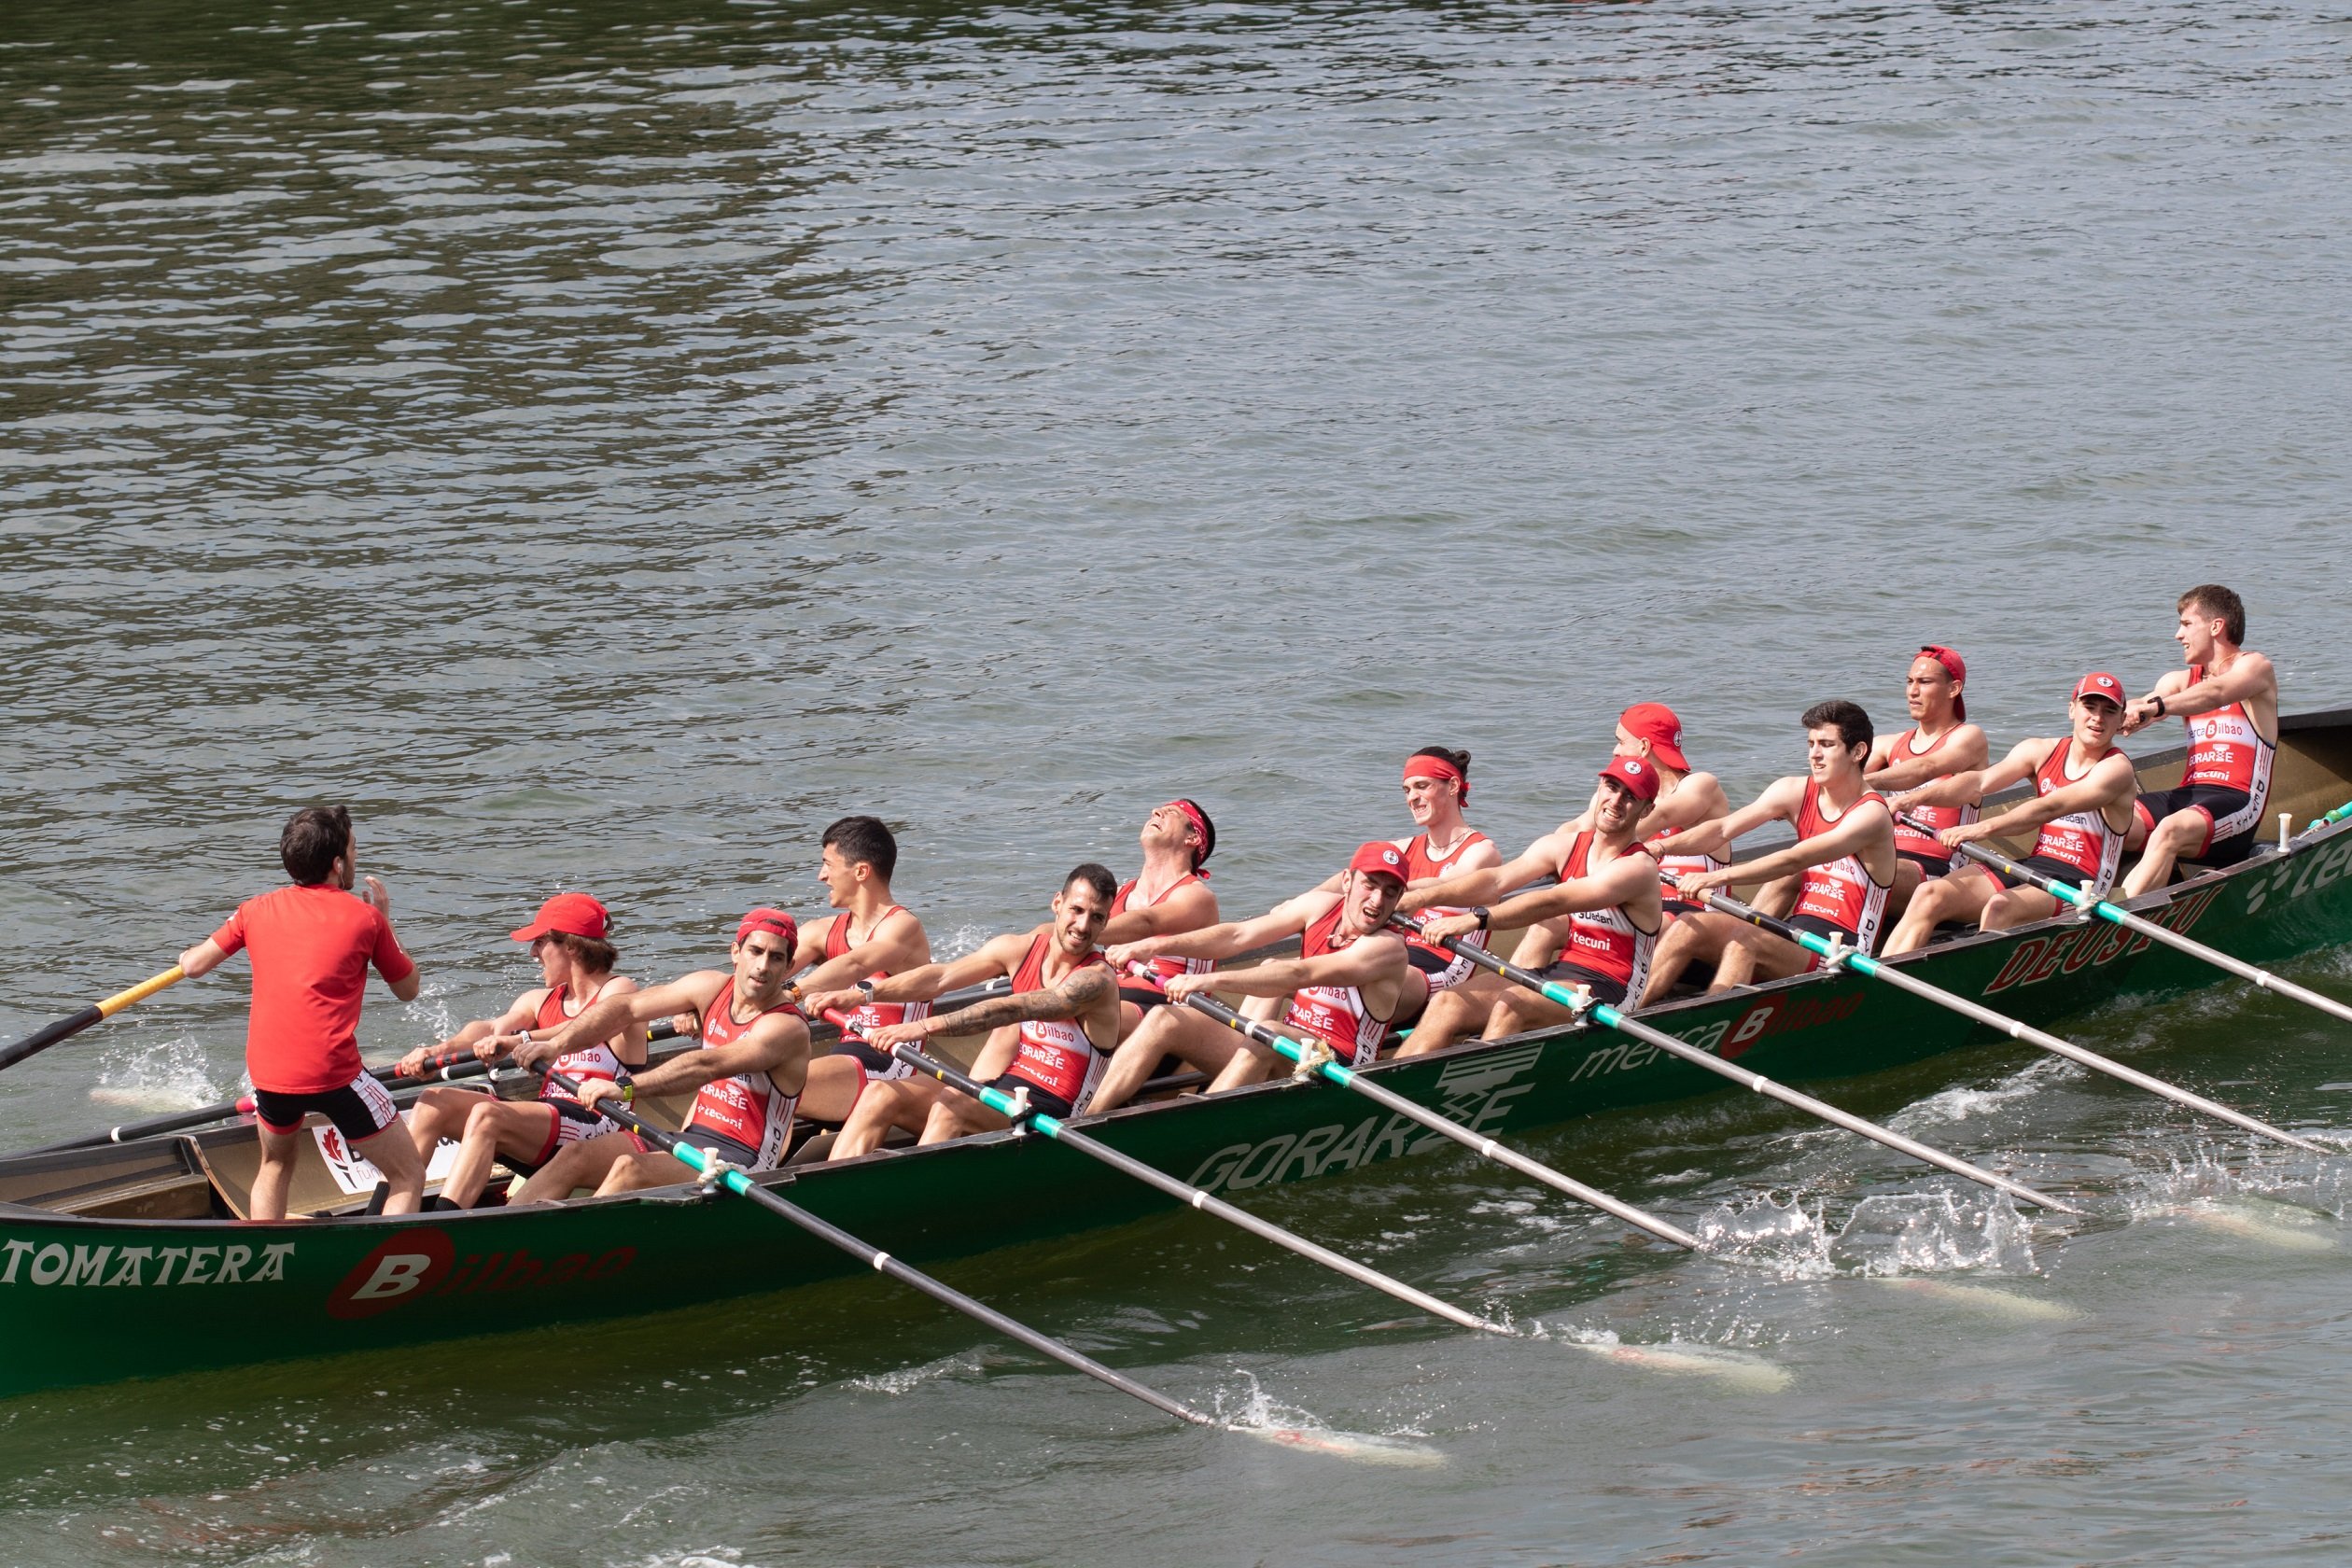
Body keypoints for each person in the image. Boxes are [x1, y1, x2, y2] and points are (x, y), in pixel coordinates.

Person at [176, 805, 427, 1222]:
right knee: (408, 1173)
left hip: (269, 1075)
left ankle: (263, 1259)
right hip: (334, 1075)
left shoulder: (254, 909)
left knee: (275, 1166)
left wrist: (185, 957)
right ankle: (380, 1268)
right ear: (336, 864)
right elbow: (408, 990)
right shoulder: (366, 918)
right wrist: (386, 923)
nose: (356, 857)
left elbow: (193, 966)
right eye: (353, 849)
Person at [806, 866, 1123, 1155]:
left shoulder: (1096, 980)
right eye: (1077, 910)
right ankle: (824, 1195)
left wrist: (925, 1026)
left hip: (1054, 1113)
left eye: (1096, 917)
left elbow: (1016, 1007)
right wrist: (865, 994)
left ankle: (909, 1200)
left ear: (1106, 922)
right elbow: (941, 976)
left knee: (951, 1105)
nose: (1082, 926)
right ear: (1057, 903)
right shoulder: (1018, 949)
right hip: (1003, 1092)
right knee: (879, 1094)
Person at [509, 909, 811, 1200]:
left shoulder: (785, 1027)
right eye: (755, 952)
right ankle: (504, 1236)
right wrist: (556, 1045)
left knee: (629, 1169)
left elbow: (705, 1065)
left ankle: (565, 1248)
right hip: (694, 1139)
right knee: (575, 1155)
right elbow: (625, 1008)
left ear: (788, 966)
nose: (762, 966)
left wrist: (625, 1086)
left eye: (776, 958)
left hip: (745, 1160)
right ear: (736, 952)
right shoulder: (709, 987)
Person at [1086, 843, 1413, 1112]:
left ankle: (1193, 1126)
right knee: (1163, 1018)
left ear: (1398, 899)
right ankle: (1087, 1117)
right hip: (1286, 1051)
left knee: (1269, 1034)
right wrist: (1153, 945)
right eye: (1369, 885)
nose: (1376, 901)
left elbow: (1300, 973)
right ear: (1347, 882)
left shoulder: (1387, 948)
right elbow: (1237, 936)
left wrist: (1209, 981)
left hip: (1339, 1069)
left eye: (1390, 892)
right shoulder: (1319, 907)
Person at [388, 893, 645, 1210]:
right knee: (432, 1102)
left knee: (487, 1115)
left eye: (540, 942)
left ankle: (445, 1225)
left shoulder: (620, 990)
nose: (533, 952)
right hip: (552, 1119)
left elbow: (589, 1025)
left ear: (572, 946)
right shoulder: (540, 999)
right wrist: (436, 1051)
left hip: (602, 1120)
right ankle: (383, 1218)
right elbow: (487, 1029)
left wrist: (520, 1039)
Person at [1641, 702, 1899, 1001]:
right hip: (1793, 933)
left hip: (1842, 951)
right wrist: (1660, 846)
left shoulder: (1871, 815)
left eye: (1827, 745)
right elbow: (1722, 830)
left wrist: (1714, 878)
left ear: (1857, 752)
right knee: (1688, 925)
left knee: (1743, 943)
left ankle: (1715, 1024)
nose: (1814, 754)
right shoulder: (1793, 790)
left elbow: (1795, 858)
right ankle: (1633, 1010)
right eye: (1811, 744)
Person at [1407, 758, 1664, 1053]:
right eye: (1611, 787)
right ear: (1599, 788)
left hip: (1613, 990)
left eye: (1630, 796)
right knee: (1446, 1002)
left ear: (1647, 810)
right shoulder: (1564, 846)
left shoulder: (1638, 867)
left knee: (1511, 1005)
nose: (1616, 800)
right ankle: (1386, 1090)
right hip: (1564, 972)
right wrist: (1421, 897)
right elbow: (1494, 881)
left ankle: (1476, 1081)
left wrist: (1478, 918)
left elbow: (1554, 900)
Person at [1881, 674, 2139, 954]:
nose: (2097, 718)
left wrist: (1980, 830)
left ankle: (1978, 987)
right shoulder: (2039, 750)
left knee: (2000, 907)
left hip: (2083, 883)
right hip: (2037, 864)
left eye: (2109, 711)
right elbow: (1978, 783)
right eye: (2090, 707)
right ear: (2072, 709)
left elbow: (2049, 807)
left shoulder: (2116, 770)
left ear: (2121, 718)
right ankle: (1883, 985)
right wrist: (1912, 799)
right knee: (1929, 894)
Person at [2118, 585, 2280, 896]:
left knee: (2169, 830)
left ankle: (2117, 918)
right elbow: (2141, 707)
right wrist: (2108, 715)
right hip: (2189, 797)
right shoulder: (2177, 681)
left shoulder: (2255, 668)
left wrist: (2157, 708)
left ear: (2216, 626)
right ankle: (2079, 902)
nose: (2178, 634)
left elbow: (2218, 692)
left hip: (2239, 803)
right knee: (2108, 821)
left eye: (2187, 624)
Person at [776, 817, 936, 1125]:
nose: (821, 876)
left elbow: (855, 964)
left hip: (893, 1064)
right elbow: (761, 972)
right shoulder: (819, 932)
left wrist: (792, 993)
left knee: (771, 1084)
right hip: (848, 1056)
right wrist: (705, 1006)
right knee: (729, 1072)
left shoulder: (903, 928)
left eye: (828, 865)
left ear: (861, 871)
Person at [1864, 645, 1990, 915]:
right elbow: (1842, 777)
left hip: (1940, 871)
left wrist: (1864, 783)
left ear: (1953, 689)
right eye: (1910, 682)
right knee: (1796, 871)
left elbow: (1925, 767)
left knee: (1863, 871)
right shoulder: (1890, 744)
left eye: (1924, 682)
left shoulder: (1969, 738)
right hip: (1885, 858)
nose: (1912, 691)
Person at [1099, 799, 1221, 1038]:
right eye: (1158, 810)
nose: (1155, 811)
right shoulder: (1119, 893)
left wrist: (1069, 930)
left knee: (1078, 1015)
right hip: (1113, 997)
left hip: (1171, 1009)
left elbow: (1147, 923)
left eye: (1170, 813)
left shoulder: (1197, 896)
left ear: (1192, 838)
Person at [1616, 703, 1733, 914]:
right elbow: (1579, 826)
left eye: (1620, 742)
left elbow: (1662, 815)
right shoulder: (1619, 797)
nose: (1615, 751)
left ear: (1644, 747)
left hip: (1697, 916)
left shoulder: (1702, 785)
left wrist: (1602, 840)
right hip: (1646, 910)